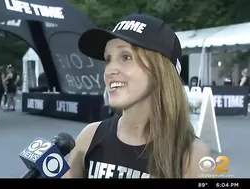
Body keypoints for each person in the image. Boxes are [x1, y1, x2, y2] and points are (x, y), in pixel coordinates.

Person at [64, 14, 211, 178]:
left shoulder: (193, 156)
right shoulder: (89, 137)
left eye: (126, 57)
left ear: (160, 71)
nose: (109, 70)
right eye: (108, 59)